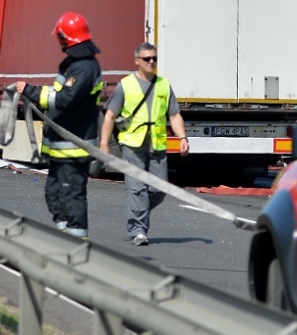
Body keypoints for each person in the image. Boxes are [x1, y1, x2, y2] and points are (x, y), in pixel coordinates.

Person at [14, 12, 104, 239]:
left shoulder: (85, 68)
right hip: (59, 145)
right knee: (54, 194)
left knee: (71, 196)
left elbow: (64, 99)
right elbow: (57, 93)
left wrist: (30, 91)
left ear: (66, 38)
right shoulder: (71, 64)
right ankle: (63, 240)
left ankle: (77, 247)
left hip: (74, 145)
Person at [99, 42, 188, 246]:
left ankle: (137, 211)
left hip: (156, 144)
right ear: (137, 61)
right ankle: (138, 230)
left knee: (159, 189)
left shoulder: (163, 85)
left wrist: (183, 137)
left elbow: (174, 115)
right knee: (137, 188)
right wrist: (104, 143)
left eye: (154, 58)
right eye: (147, 58)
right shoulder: (126, 85)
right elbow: (110, 115)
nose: (151, 62)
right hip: (132, 144)